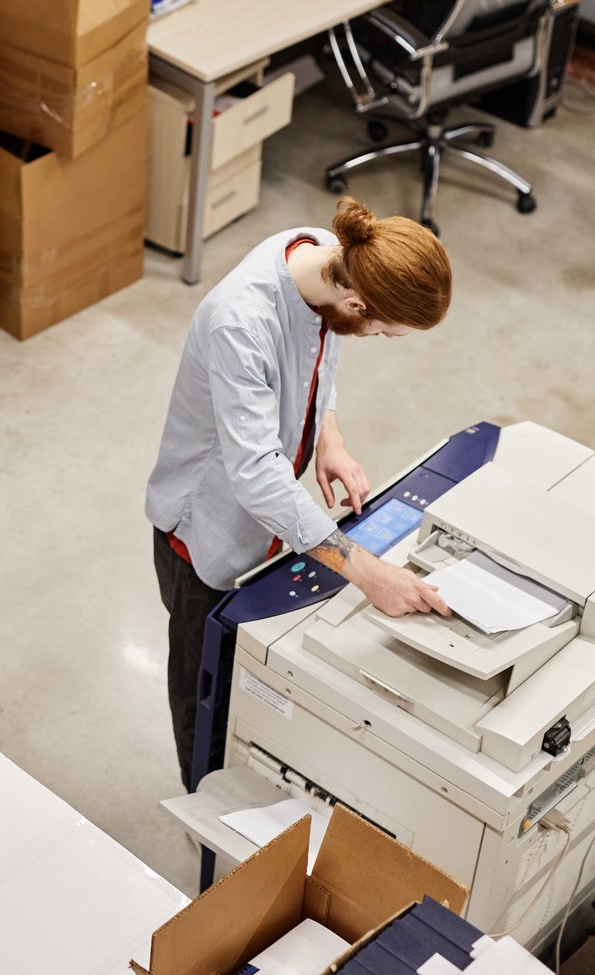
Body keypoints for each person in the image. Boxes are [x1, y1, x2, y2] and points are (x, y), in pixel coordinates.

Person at [146, 197, 454, 792]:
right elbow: (257, 474)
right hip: (204, 538)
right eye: (385, 330)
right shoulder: (241, 321)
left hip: (273, 525)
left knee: (256, 686)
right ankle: (206, 806)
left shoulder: (324, 255)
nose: (383, 339)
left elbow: (323, 355)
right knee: (205, 695)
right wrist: (365, 572)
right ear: (358, 301)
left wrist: (328, 436)